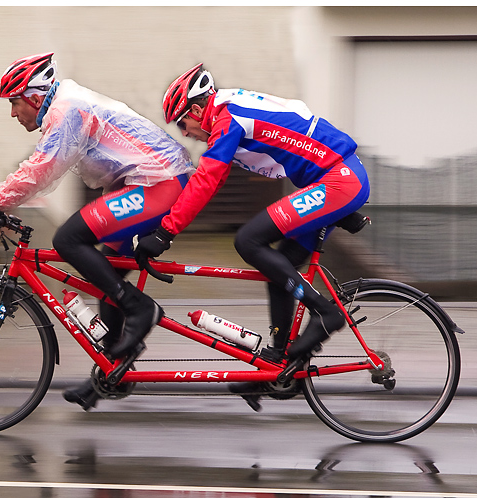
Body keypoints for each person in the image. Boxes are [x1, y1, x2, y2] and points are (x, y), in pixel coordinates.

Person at [0, 52, 195, 410]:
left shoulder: (68, 110)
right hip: (142, 185)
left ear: (34, 96)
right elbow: (42, 171)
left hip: (162, 184)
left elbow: (41, 170)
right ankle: (114, 371)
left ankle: (141, 310)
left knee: (68, 239)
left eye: (15, 103)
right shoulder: (64, 108)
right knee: (107, 273)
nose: (13, 113)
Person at [135, 64, 370, 409]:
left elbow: (206, 181)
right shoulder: (230, 109)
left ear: (198, 111)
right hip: (335, 179)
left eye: (183, 123)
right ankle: (280, 365)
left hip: (338, 180)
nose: (185, 133)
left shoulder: (228, 118)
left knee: (248, 241)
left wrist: (166, 232)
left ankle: (324, 312)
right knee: (280, 270)